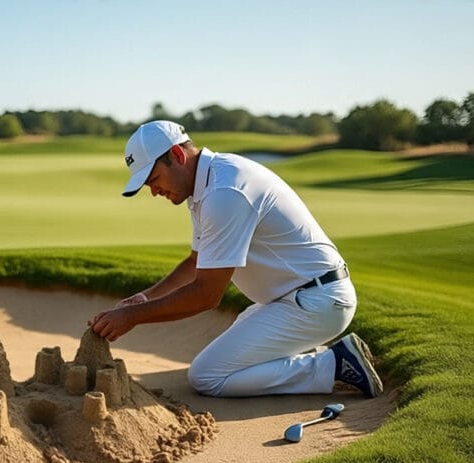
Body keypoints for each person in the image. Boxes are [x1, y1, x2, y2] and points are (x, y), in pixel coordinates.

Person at [90, 120, 383, 398]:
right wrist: (144, 298)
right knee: (231, 355)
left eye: (153, 179)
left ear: (177, 155)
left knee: (206, 376)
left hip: (316, 302)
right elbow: (196, 262)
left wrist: (132, 318)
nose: (153, 191)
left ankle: (335, 364)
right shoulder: (208, 184)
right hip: (296, 299)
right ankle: (332, 357)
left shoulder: (224, 192)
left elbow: (206, 295)